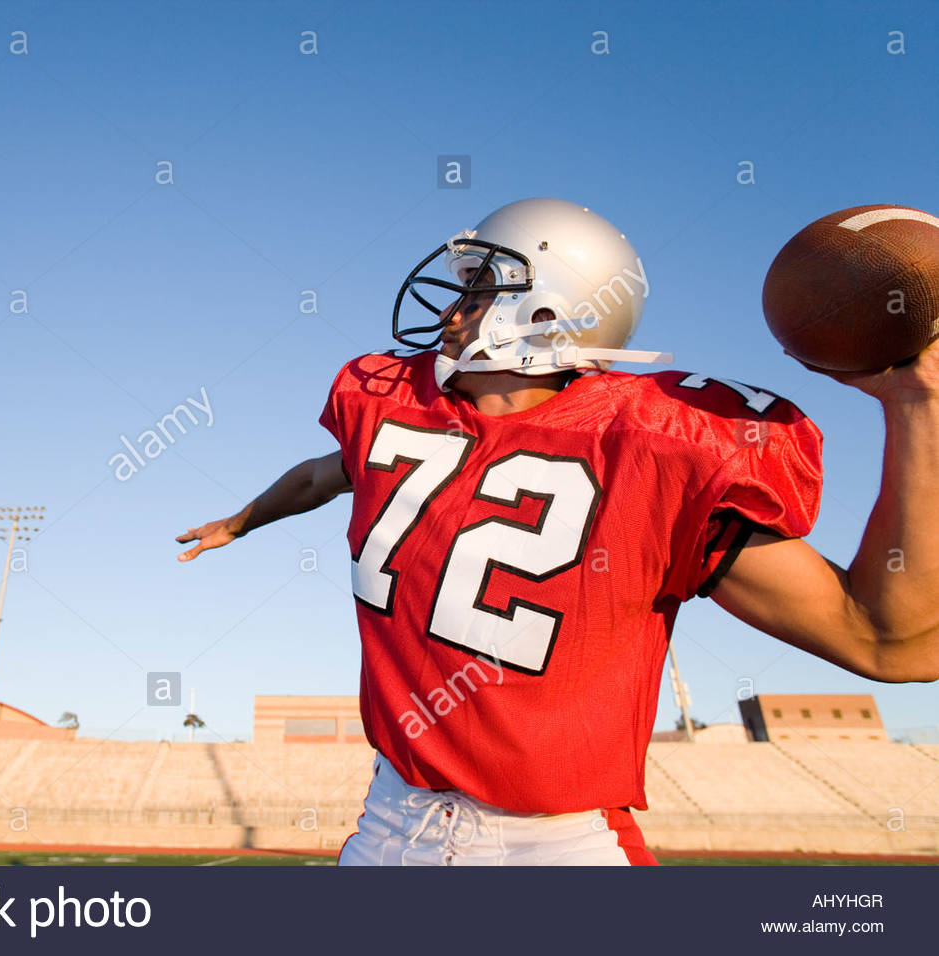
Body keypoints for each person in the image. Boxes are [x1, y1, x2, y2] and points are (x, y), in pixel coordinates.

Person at [176, 198, 939, 865]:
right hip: (390, 824)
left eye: (479, 291)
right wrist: (240, 522)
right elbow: (323, 473)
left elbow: (884, 640)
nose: (449, 312)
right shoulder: (392, 406)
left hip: (557, 848)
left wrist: (918, 402)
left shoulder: (655, 443)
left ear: (544, 314)